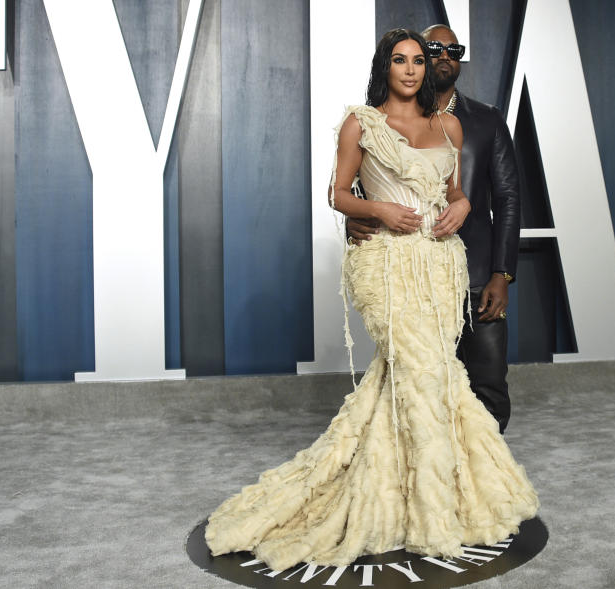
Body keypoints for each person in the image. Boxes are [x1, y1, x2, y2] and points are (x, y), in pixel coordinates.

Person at [204, 28, 538, 572]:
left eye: (419, 61)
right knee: (425, 371)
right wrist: (376, 212)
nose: (412, 69)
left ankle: (403, 492)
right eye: (402, 60)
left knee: (417, 380)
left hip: (440, 265)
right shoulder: (362, 122)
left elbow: (457, 192)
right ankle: (435, 511)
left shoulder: (451, 123)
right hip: (383, 265)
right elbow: (339, 193)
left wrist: (462, 206)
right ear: (386, 66)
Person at [348, 24, 521, 434]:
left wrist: (503, 273)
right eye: (434, 49)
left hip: (476, 274)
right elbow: (362, 189)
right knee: (417, 383)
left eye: (454, 50)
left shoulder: (484, 120)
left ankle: (482, 482)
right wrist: (356, 221)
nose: (445, 56)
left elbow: (508, 198)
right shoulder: (376, 123)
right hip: (408, 275)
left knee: (488, 385)